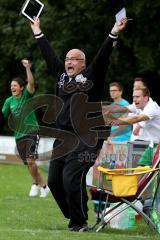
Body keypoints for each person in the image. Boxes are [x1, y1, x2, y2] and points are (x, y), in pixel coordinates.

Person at [30, 17, 127, 231]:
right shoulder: (62, 77)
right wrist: (38, 31)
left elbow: (103, 56)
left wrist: (114, 31)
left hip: (88, 137)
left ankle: (79, 222)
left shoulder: (92, 76)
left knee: (71, 176)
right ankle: (74, 213)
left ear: (82, 63)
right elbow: (49, 55)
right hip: (64, 138)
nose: (69, 61)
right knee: (55, 181)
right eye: (67, 58)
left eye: (74, 59)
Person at [2, 59, 50, 198]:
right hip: (18, 136)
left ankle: (37, 185)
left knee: (30, 161)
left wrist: (28, 68)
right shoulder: (8, 102)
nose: (12, 87)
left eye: (15, 85)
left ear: (21, 87)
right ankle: (42, 185)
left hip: (32, 132)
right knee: (29, 165)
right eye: (11, 86)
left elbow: (31, 83)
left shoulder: (27, 96)